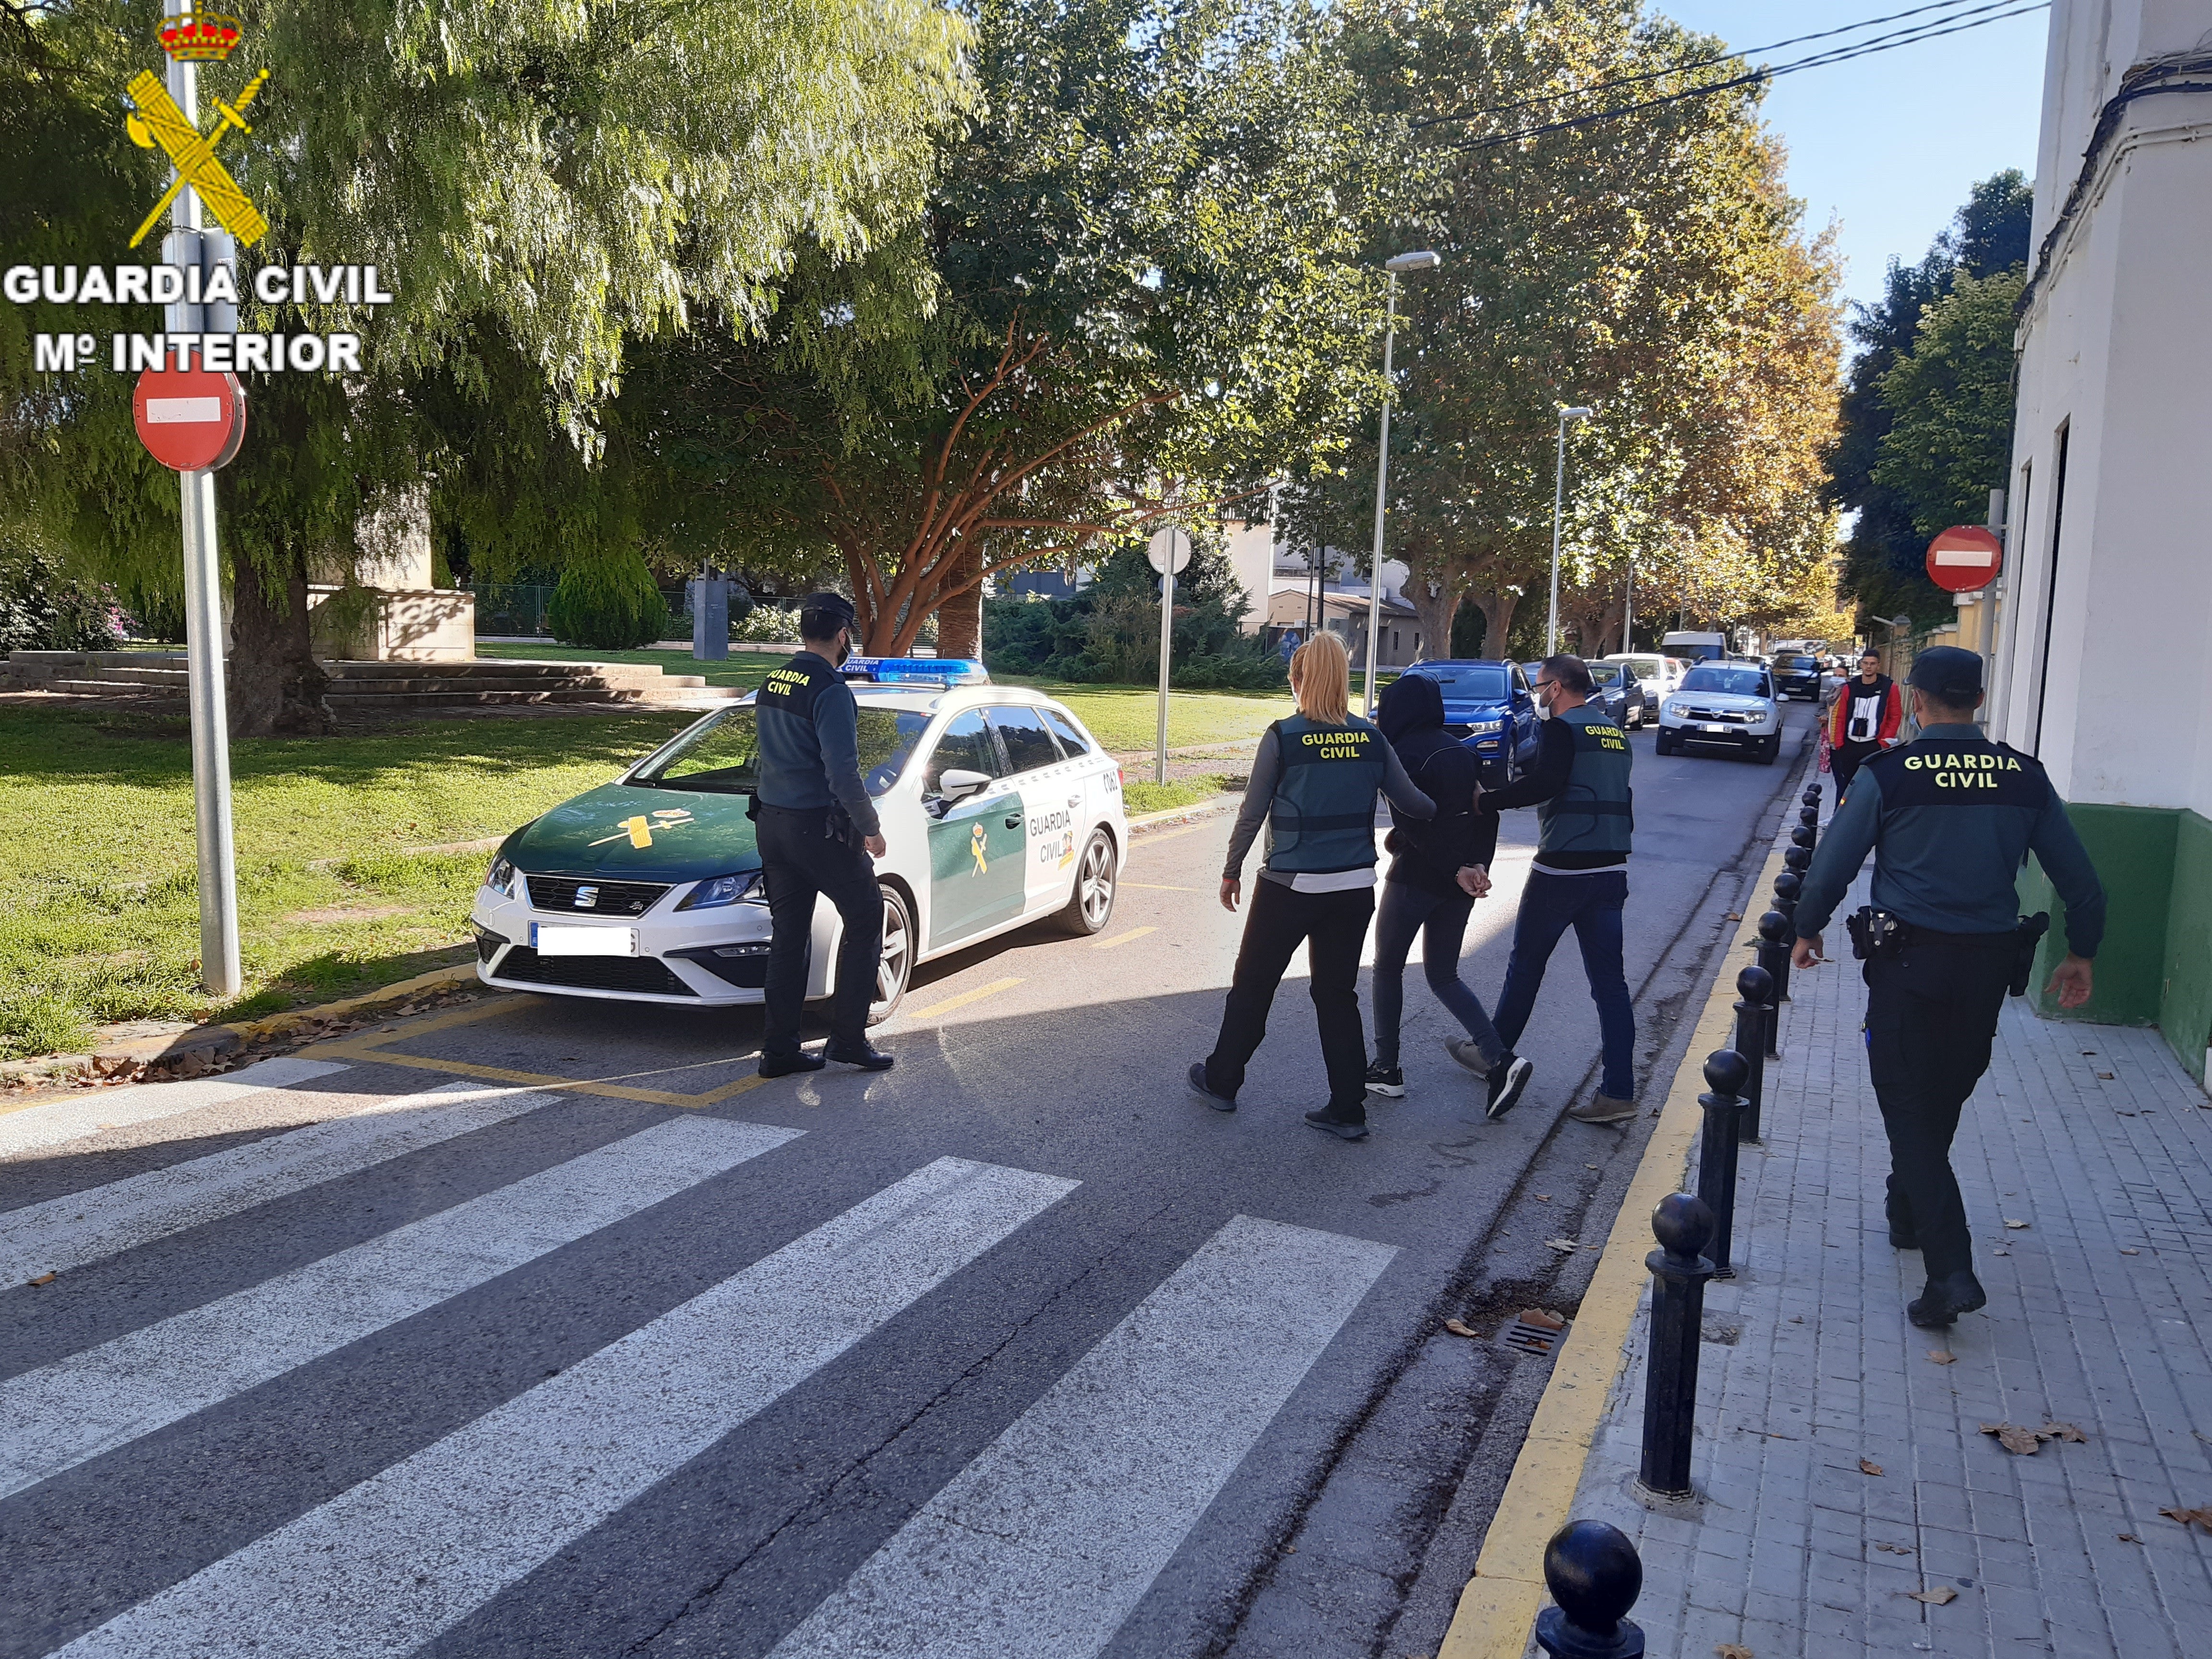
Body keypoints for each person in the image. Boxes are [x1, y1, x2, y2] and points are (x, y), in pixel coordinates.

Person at [1792, 646, 2104, 1330]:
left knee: (1908, 1109)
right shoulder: (2024, 777)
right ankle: (1908, 1211)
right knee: (1940, 1097)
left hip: (1909, 967)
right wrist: (2081, 953)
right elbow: (2082, 883)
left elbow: (1832, 865)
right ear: (1980, 701)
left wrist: (1805, 929)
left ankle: (1950, 1273)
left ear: (1917, 700)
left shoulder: (1891, 774)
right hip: (1988, 969)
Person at [1191, 631, 1437, 1141]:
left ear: (1300, 680)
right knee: (1336, 995)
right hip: (1353, 888)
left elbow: (1252, 812)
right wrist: (1458, 797)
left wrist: (1232, 869)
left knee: (1253, 988)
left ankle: (1222, 1081)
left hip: (1290, 886)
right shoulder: (1372, 737)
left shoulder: (1284, 736)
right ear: (1343, 680)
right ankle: (1348, 1108)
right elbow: (1415, 804)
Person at [1366, 672, 1535, 1118]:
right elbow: (1486, 813)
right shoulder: (1462, 749)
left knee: (1388, 968)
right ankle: (1501, 1059)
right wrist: (1477, 866)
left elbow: (1413, 823)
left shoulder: (1401, 753)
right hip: (1459, 884)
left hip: (1417, 879)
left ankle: (1386, 1068)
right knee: (1443, 975)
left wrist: (1453, 867)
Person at [1478, 654, 1636, 1124]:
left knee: (1525, 967)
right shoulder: (1616, 734)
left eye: (1541, 685)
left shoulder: (1562, 730)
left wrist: (1487, 801)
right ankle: (1618, 1093)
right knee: (1611, 984)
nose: (1538, 695)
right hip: (1610, 870)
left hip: (1562, 869)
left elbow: (1544, 783)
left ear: (1559, 688)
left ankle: (1494, 1055)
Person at [752, 592, 894, 1078]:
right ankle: (849, 1040)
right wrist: (870, 830)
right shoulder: (830, 690)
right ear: (842, 635)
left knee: (788, 935)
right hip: (817, 828)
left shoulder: (775, 678)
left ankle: (779, 1050)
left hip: (771, 824)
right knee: (867, 915)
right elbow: (843, 774)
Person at [1828, 649, 1903, 797]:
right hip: (1849, 745)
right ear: (1861, 664)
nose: (1869, 667)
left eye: (1873, 664)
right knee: (1846, 788)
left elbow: (1895, 716)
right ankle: (1844, 818)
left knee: (1870, 788)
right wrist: (1839, 743)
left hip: (1874, 745)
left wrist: (1885, 741)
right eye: (1866, 663)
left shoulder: (1890, 688)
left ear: (1878, 666)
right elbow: (1841, 717)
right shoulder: (1850, 687)